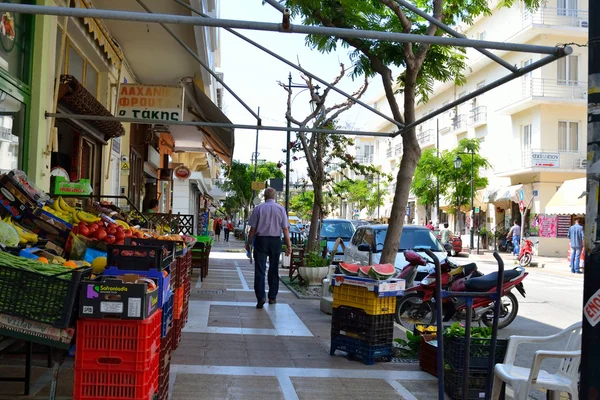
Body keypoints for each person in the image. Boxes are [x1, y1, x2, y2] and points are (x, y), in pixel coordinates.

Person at [246, 187, 292, 309]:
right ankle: (272, 297)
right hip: (276, 241)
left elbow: (252, 229)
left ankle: (260, 297)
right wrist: (288, 245)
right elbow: (285, 229)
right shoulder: (281, 209)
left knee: (260, 269)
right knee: (273, 269)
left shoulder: (258, 209)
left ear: (265, 196)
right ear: (274, 196)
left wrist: (249, 243)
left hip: (261, 241)